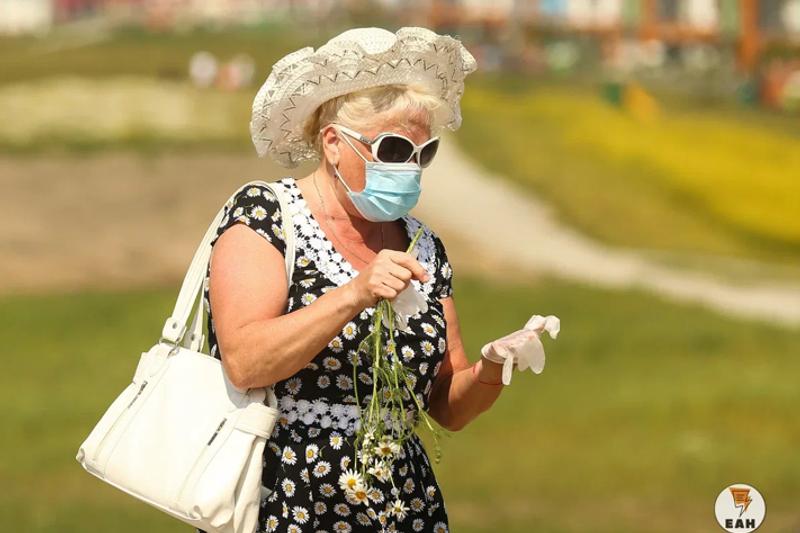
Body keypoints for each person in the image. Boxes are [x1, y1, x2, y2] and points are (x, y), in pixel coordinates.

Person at [199, 27, 557, 533]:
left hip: (401, 505)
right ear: (333, 143)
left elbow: (446, 406)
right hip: (288, 495)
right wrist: (355, 293)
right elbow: (245, 362)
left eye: (422, 153)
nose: (409, 168)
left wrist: (493, 366)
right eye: (392, 149)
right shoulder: (268, 215)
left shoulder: (423, 245)